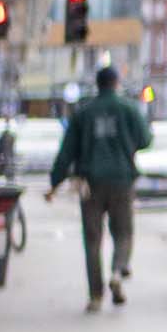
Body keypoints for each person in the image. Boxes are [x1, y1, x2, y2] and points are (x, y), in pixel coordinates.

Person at [44, 58, 150, 308]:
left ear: (98, 85)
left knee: (92, 239)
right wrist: (126, 146)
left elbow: (66, 151)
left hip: (90, 183)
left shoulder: (84, 113)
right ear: (116, 83)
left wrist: (54, 183)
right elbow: (145, 139)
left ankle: (95, 295)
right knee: (123, 231)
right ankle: (117, 271)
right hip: (121, 180)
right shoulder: (129, 109)